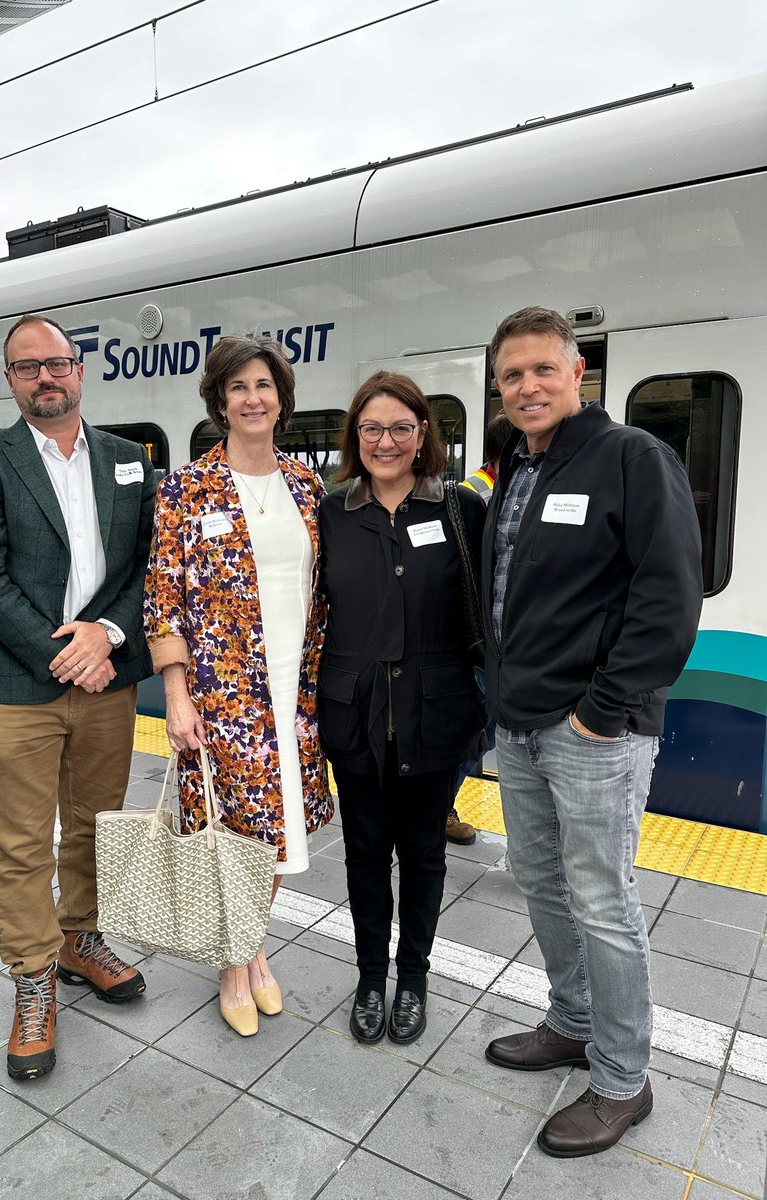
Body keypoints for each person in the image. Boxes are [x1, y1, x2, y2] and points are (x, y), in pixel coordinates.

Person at [480, 307, 702, 1157]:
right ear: (498, 390)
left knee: (604, 901)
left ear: (580, 374)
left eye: (543, 370)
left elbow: (669, 596)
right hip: (522, 724)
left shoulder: (632, 458)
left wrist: (602, 710)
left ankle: (621, 1077)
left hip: (593, 731)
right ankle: (572, 1022)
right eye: (512, 376)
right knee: (541, 881)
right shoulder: (517, 469)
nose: (527, 386)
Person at [0, 314, 156, 1082]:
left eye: (57, 363)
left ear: (79, 370)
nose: (46, 377)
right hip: (15, 690)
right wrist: (68, 653)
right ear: (10, 380)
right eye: (27, 367)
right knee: (23, 846)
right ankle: (33, 981)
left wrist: (106, 634)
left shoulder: (130, 459)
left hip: (107, 682)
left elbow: (147, 568)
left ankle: (81, 939)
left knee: (95, 830)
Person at [143, 334, 332, 1038]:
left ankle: (251, 946)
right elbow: (162, 598)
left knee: (277, 831)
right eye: (238, 387)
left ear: (281, 397)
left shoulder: (308, 487)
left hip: (297, 689)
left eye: (264, 385)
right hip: (224, 696)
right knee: (233, 834)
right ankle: (233, 964)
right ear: (219, 402)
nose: (253, 398)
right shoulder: (186, 489)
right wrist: (178, 692)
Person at [318, 371, 486, 1045]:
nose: (385, 441)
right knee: (363, 853)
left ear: (424, 437)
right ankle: (368, 977)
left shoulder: (459, 510)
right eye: (371, 428)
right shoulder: (331, 512)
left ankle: (412, 979)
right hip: (352, 712)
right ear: (354, 437)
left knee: (423, 854)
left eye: (400, 428)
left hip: (436, 712)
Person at [447, 410, 514, 845]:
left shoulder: (512, 487)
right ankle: (440, 807)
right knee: (474, 735)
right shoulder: (476, 495)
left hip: (504, 646)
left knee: (482, 736)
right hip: (479, 646)